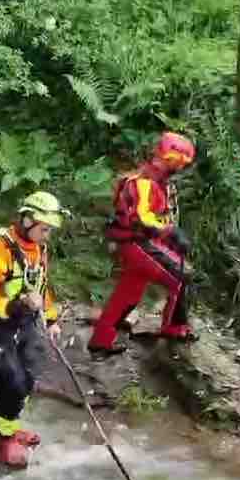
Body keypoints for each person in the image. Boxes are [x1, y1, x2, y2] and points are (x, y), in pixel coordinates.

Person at [0, 191, 66, 469]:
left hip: (23, 322)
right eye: (44, 229)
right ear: (27, 221)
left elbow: (41, 287)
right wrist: (19, 304)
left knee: (28, 376)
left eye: (49, 230)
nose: (47, 236)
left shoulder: (39, 250)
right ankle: (3, 440)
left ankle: (10, 427)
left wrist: (51, 319)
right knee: (11, 378)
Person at [87, 131, 197, 357]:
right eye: (174, 162)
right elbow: (141, 217)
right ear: (161, 157)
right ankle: (173, 328)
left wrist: (170, 236)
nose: (177, 168)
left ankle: (101, 341)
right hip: (138, 243)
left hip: (140, 243)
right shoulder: (143, 182)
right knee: (182, 276)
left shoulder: (159, 184)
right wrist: (171, 232)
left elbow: (159, 217)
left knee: (127, 295)